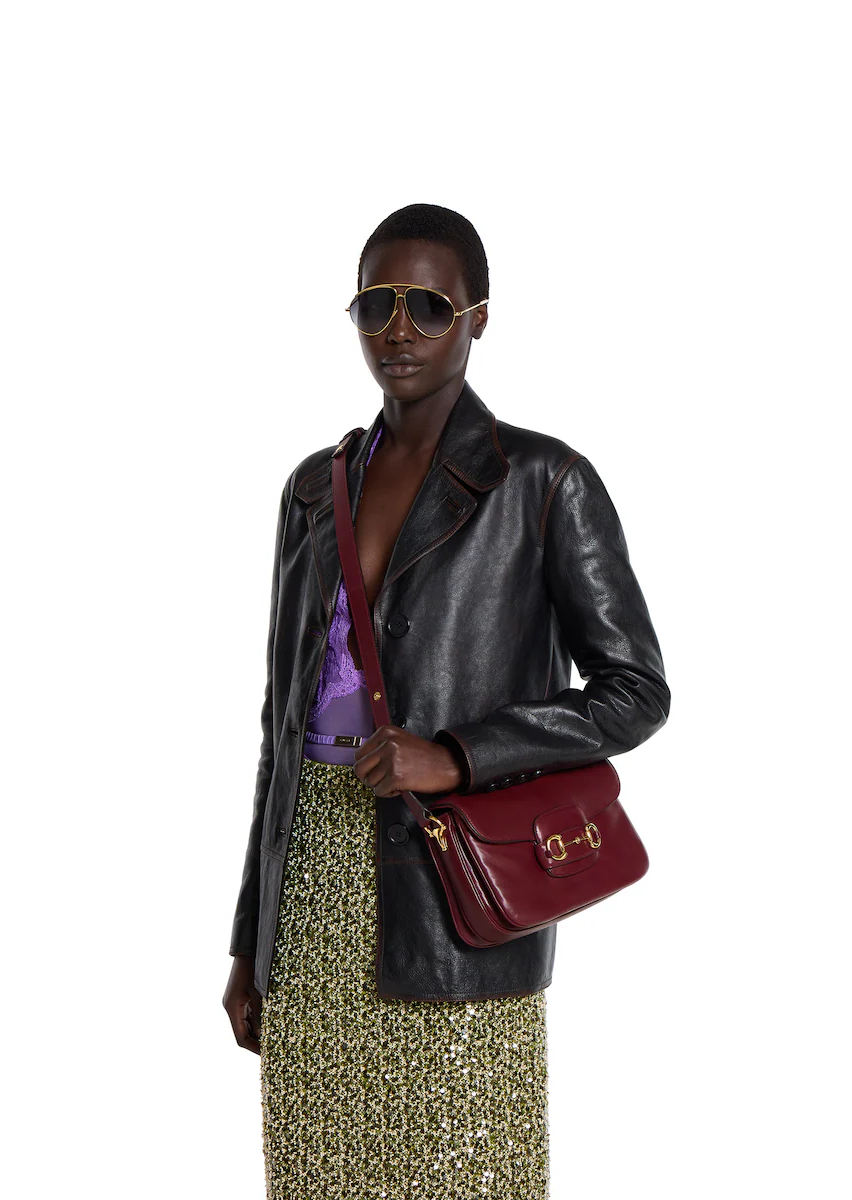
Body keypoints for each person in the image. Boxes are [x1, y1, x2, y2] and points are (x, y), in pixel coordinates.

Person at [223, 203, 670, 1198]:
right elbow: (276, 733)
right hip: (311, 893)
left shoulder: (543, 481)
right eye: (375, 305)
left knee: (470, 1170)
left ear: (478, 318)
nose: (399, 329)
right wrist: (251, 942)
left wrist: (460, 753)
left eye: (429, 306)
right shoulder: (313, 489)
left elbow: (634, 692)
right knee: (320, 1174)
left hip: (453, 893)